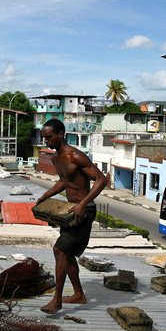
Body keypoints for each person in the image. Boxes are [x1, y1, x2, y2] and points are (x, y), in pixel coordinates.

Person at [35, 118, 108, 314]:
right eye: (44, 138)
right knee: (65, 253)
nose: (46, 141)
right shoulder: (55, 158)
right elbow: (64, 181)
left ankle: (57, 300)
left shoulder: (75, 156)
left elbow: (101, 180)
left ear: (61, 134)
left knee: (60, 250)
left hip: (84, 211)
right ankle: (78, 295)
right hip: (69, 212)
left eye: (49, 137)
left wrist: (83, 204)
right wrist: (45, 195)